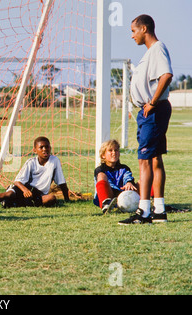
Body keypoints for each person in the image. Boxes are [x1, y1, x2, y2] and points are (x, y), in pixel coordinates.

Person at [119, 14, 173, 225]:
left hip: (153, 110)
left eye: (133, 31)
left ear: (144, 29)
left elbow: (167, 75)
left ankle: (143, 212)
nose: (132, 36)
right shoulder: (150, 53)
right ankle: (158, 210)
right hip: (151, 111)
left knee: (144, 159)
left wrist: (151, 102)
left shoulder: (157, 48)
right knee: (155, 159)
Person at [0, 136, 70, 211]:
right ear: (35, 150)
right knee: (7, 195)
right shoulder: (31, 163)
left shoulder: (54, 161)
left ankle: (13, 203)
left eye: (47, 146)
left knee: (51, 199)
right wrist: (25, 190)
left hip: (37, 194)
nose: (45, 149)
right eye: (41, 147)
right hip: (23, 188)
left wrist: (67, 200)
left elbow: (62, 183)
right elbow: (17, 181)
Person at [94, 139, 138, 214]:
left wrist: (129, 182)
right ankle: (106, 204)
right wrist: (119, 194)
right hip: (110, 194)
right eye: (110, 150)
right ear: (103, 155)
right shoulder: (100, 170)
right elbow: (108, 183)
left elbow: (127, 176)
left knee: (143, 181)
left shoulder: (124, 168)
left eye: (116, 150)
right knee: (101, 176)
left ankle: (154, 201)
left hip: (124, 194)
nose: (114, 153)